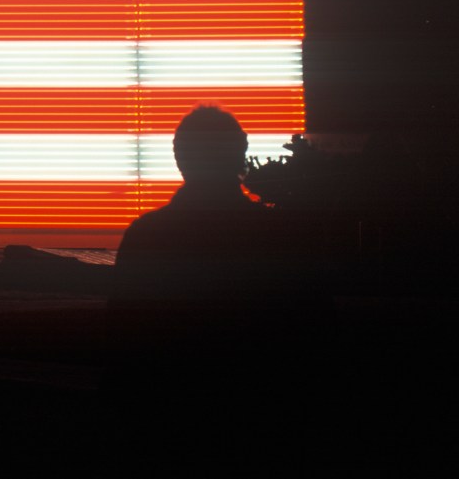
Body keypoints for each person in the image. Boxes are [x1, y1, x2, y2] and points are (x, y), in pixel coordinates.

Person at [107, 105, 331, 461]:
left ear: (181, 160)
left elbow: (123, 340)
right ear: (239, 155)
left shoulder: (147, 236)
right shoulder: (279, 237)